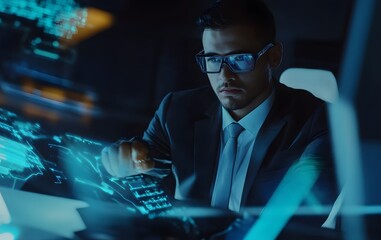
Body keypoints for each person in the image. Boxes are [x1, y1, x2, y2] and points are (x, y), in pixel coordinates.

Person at [101, 0, 337, 220]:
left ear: (273, 57)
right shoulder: (177, 110)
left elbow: (308, 215)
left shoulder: (316, 122)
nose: (225, 77)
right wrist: (129, 160)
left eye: (240, 59)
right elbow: (150, 165)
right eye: (213, 60)